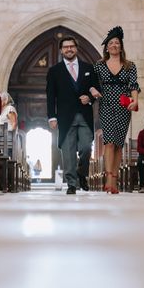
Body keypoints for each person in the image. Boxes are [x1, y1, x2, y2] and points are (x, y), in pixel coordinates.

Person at [90, 26, 140, 195]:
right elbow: (91, 83)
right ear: (106, 47)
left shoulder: (129, 66)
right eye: (111, 43)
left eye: (117, 43)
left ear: (121, 46)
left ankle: (115, 178)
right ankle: (109, 179)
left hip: (124, 106)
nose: (114, 45)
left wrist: (135, 100)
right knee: (109, 142)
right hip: (106, 105)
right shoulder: (99, 65)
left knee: (118, 143)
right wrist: (92, 90)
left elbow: (134, 86)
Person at [46, 36, 98, 194]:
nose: (69, 49)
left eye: (72, 46)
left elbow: (96, 89)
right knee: (68, 151)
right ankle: (71, 184)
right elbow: (50, 95)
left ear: (76, 48)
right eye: (66, 47)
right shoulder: (54, 71)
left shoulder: (89, 68)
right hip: (65, 116)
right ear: (61, 50)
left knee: (86, 147)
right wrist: (52, 117)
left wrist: (89, 98)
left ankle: (82, 173)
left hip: (85, 116)